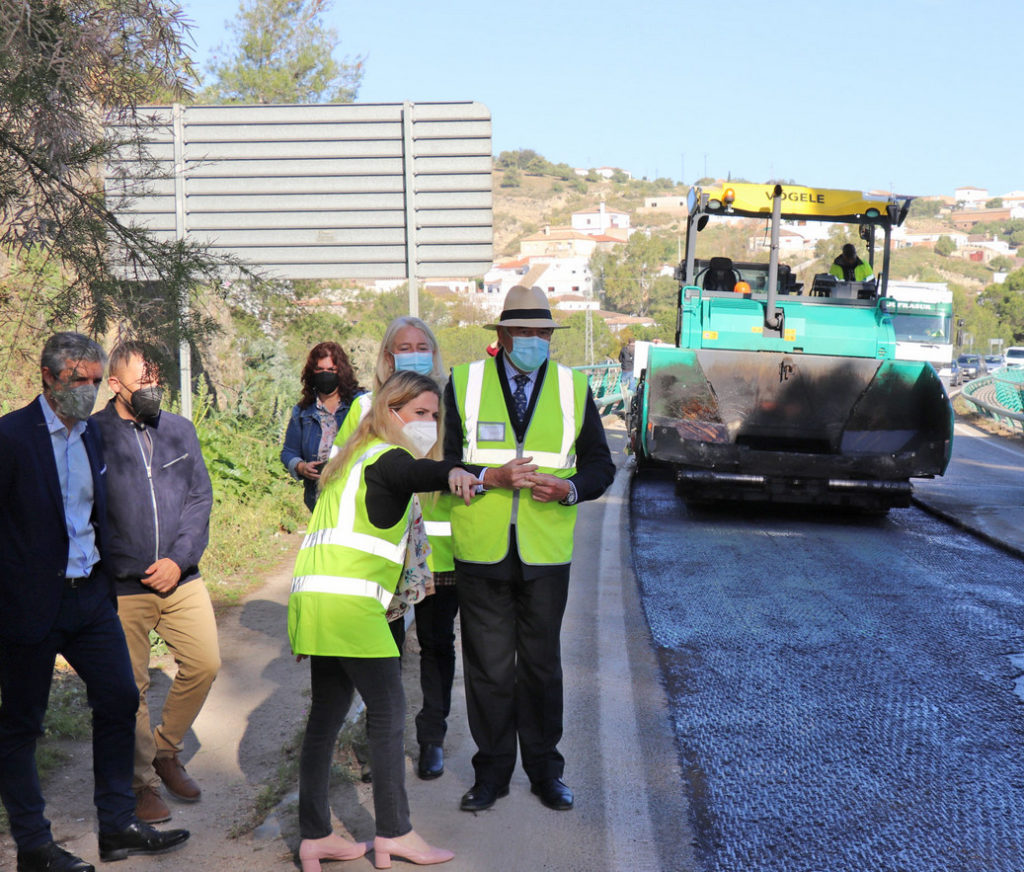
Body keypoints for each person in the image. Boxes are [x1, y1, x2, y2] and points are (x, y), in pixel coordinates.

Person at [0, 332, 189, 872]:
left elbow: (94, 516)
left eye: (92, 380)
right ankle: (34, 845)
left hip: (90, 600)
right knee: (21, 726)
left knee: (119, 699)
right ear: (47, 377)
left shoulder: (90, 437)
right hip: (30, 607)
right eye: (75, 379)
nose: (86, 389)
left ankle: (117, 825)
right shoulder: (11, 437)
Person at [288, 371, 479, 870]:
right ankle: (395, 834)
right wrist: (463, 472)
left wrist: (447, 469)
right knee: (390, 712)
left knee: (325, 718)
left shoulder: (347, 458)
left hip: (315, 602)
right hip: (351, 607)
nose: (428, 425)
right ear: (390, 411)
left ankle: (315, 837)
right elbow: (424, 474)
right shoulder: (389, 459)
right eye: (419, 414)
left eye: (435, 416)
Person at [443, 285, 615, 813]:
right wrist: (487, 475)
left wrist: (571, 489)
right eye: (524, 332)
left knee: (541, 667)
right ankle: (491, 774)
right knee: (488, 669)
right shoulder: (465, 383)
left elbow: (600, 466)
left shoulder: (573, 388)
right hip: (482, 549)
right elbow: (445, 462)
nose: (535, 341)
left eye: (543, 333)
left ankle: (545, 771)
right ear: (502, 335)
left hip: (545, 552)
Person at [91, 341, 219, 825]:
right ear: (116, 384)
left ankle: (166, 751)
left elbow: (199, 499)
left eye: (155, 379)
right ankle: (142, 782)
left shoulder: (180, 431)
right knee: (132, 688)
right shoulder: (93, 436)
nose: (152, 389)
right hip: (123, 586)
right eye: (141, 381)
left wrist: (178, 558)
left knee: (205, 663)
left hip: (180, 577)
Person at [331, 316, 458, 782]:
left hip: (440, 554)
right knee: (385, 650)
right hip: (382, 555)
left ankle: (432, 739)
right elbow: (341, 473)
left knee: (437, 646)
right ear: (387, 357)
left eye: (422, 345)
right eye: (402, 346)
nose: (413, 352)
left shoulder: (447, 402)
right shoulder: (365, 406)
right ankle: (379, 743)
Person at [282, 342, 366, 512]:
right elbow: (288, 451)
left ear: (341, 372)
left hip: (356, 493)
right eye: (319, 370)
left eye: (331, 370)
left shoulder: (361, 403)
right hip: (319, 497)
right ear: (312, 373)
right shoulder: (302, 412)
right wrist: (301, 467)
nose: (325, 374)